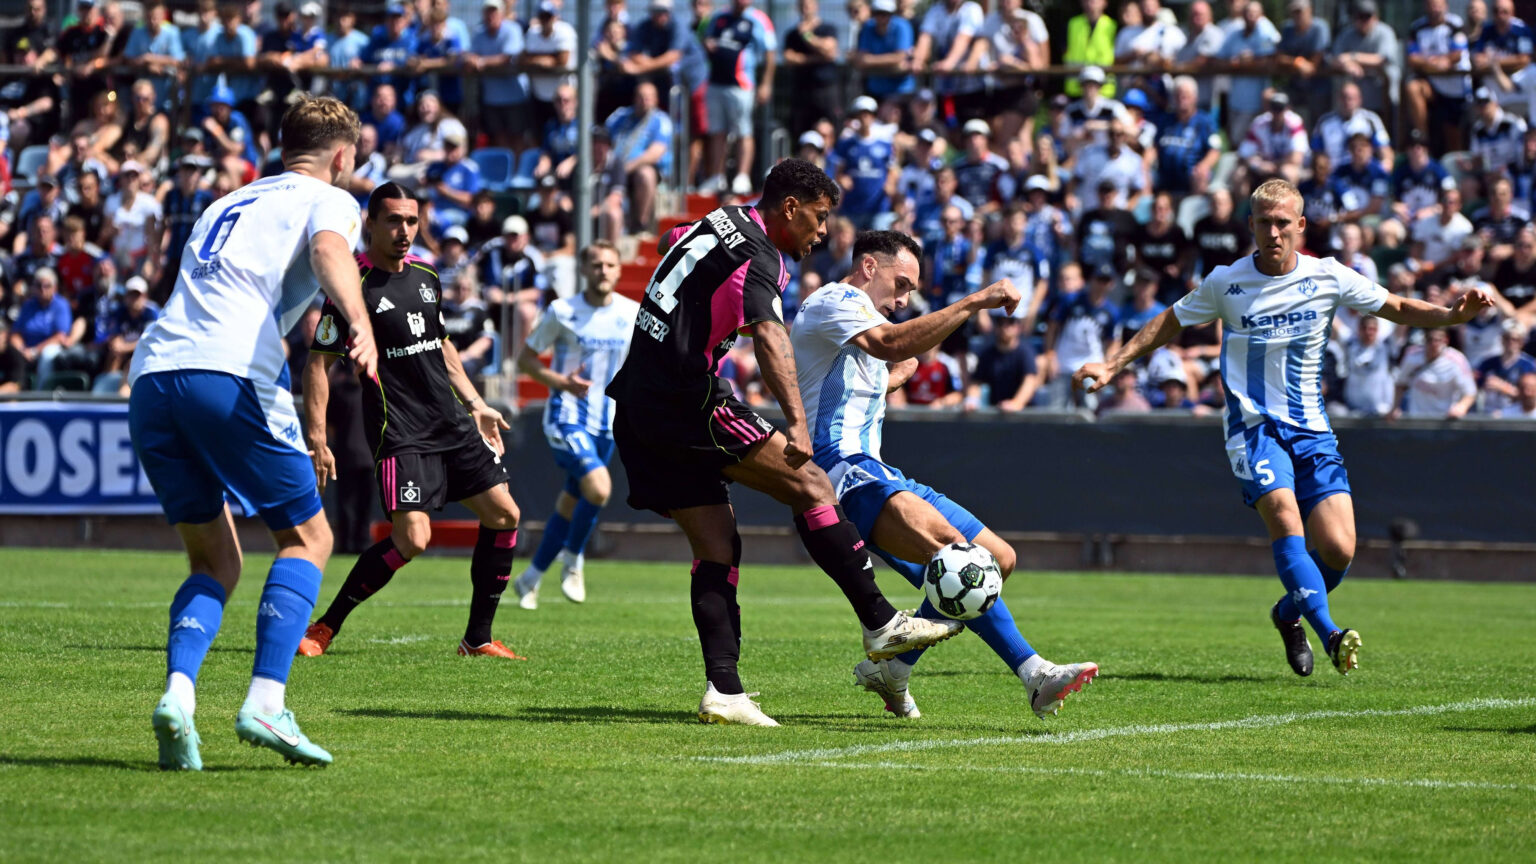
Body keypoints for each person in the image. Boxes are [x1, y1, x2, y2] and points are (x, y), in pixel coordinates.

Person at [1072, 179, 1497, 680]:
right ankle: (1331, 633)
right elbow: (1170, 321)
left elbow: (1397, 307)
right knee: (1283, 512)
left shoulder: (1329, 276)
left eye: (1282, 223)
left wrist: (1451, 315)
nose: (1273, 232)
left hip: (1312, 429)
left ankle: (1287, 613)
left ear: (1300, 226)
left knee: (1339, 549)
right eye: (1263, 223)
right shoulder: (1225, 283)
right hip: (1252, 429)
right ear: (1250, 226)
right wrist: (1114, 364)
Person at [607, 160, 964, 726]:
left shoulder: (717, 221)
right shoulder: (759, 254)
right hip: (685, 399)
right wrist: (797, 425)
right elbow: (771, 339)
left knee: (718, 545)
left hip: (637, 403)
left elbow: (670, 243)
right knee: (811, 481)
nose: (822, 234)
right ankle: (879, 621)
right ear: (790, 207)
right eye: (819, 219)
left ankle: (724, 691)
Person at [126, 96, 378, 770]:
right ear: (342, 156)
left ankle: (179, 696)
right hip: (227, 373)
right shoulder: (328, 199)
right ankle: (267, 699)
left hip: (152, 378)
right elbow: (330, 252)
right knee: (310, 537)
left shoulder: (225, 203)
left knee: (215, 561)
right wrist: (358, 319)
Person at [790, 230, 1097, 719]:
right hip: (842, 473)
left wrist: (892, 381)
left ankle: (893, 669)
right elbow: (888, 343)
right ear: (869, 266)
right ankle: (1034, 673)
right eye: (901, 283)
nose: (904, 298)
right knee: (957, 556)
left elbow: (843, 383)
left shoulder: (858, 318)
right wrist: (975, 301)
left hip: (877, 470)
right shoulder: (836, 299)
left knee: (999, 558)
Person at [296, 182, 521, 661]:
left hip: (450, 423)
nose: (404, 231)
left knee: (506, 515)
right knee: (413, 538)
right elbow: (318, 364)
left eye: (412, 221)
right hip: (400, 432)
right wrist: (317, 438)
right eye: (394, 221)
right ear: (371, 224)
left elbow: (441, 346)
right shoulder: (351, 287)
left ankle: (477, 639)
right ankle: (324, 626)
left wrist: (477, 403)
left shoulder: (426, 275)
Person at [512, 242, 638, 608]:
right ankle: (574, 559)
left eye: (610, 264)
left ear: (618, 270)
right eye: (595, 264)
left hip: (607, 422)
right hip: (567, 416)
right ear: (584, 269)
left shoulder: (631, 314)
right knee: (599, 489)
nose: (603, 270)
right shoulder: (562, 311)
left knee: (571, 503)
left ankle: (531, 578)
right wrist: (561, 382)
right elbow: (526, 361)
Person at [701, 0, 777, 196]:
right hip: (716, 83)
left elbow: (770, 52)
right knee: (717, 131)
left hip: (742, 85)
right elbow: (707, 39)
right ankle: (717, 177)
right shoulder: (718, 17)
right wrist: (708, 45)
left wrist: (766, 83)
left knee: (743, 131)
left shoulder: (758, 19)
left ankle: (742, 176)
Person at [1404, 0, 1470, 154]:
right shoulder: (1417, 27)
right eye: (1431, 5)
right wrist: (1432, 62)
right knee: (1413, 88)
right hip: (1431, 85)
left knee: (1453, 140)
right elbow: (1412, 57)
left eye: (1438, 4)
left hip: (1454, 88)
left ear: (1445, 6)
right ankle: (1422, 137)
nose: (1435, 9)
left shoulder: (1456, 25)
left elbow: (1458, 54)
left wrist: (1444, 61)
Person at [1394, 326, 1478, 418]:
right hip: (1417, 419)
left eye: (1438, 340)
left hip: (1444, 419)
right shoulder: (1412, 355)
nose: (1433, 344)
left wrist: (1461, 407)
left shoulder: (1457, 360)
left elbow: (1470, 393)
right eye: (1430, 340)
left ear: (1445, 341)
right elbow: (1400, 384)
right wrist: (1394, 408)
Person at [1476, 321, 1536, 414]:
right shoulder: (1488, 363)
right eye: (1507, 338)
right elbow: (1474, 387)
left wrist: (1505, 388)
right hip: (1489, 412)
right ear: (1502, 339)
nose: (1510, 342)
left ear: (1522, 342)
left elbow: (1530, 396)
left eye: (1515, 339)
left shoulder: (1529, 365)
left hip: (1516, 413)